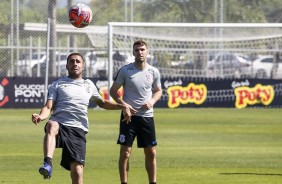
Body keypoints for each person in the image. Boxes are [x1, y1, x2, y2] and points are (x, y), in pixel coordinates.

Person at [31, 52, 136, 184]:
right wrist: (41, 116)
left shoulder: (89, 85)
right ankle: (47, 164)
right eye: (72, 61)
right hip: (60, 123)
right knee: (52, 126)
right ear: (67, 66)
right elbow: (48, 107)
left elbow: (102, 103)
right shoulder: (57, 84)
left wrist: (122, 106)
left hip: (78, 129)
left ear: (83, 66)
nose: (75, 64)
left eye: (78, 61)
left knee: (77, 171)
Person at [110, 40, 162, 184]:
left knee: (151, 152)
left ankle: (153, 182)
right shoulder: (125, 70)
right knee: (125, 153)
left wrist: (151, 101)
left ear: (147, 52)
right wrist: (124, 105)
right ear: (133, 52)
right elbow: (113, 92)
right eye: (137, 50)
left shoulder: (153, 71)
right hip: (128, 118)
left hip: (146, 117)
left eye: (142, 49)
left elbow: (158, 91)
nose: (140, 52)